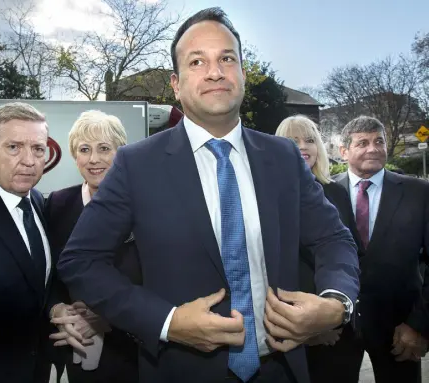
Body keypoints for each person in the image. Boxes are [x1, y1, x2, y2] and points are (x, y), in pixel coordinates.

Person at [57, 8, 360, 383]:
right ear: (176, 83)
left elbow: (333, 237)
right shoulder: (137, 165)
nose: (215, 71)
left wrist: (337, 303)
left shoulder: (282, 157)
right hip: (180, 370)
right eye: (197, 61)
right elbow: (81, 261)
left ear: (243, 75)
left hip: (281, 369)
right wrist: (166, 321)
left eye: (227, 59)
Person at [0, 102, 80, 383]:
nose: (29, 160)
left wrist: (54, 307)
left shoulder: (38, 201)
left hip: (37, 369)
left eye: (38, 149)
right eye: (14, 147)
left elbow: (36, 280)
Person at [46, 110, 141, 383]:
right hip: (74, 347)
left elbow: (158, 278)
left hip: (133, 353)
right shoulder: (58, 204)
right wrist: (56, 309)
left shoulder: (144, 206)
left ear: (120, 153)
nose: (94, 159)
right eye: (84, 149)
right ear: (75, 156)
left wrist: (110, 317)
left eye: (104, 148)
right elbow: (48, 273)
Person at [333, 115, 429, 383]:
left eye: (379, 141)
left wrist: (420, 325)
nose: (373, 148)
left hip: (401, 329)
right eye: (362, 143)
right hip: (335, 330)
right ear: (343, 152)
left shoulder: (419, 193)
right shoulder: (323, 192)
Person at [276, 115, 362, 382]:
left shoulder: (336, 193)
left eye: (310, 140)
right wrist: (308, 328)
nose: (303, 147)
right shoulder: (269, 197)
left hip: (338, 332)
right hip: (286, 328)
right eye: (293, 140)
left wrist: (331, 315)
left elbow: (349, 253)